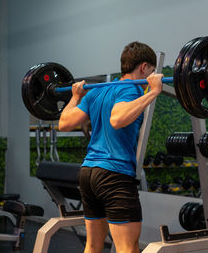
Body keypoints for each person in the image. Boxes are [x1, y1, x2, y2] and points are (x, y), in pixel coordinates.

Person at [59, 41, 163, 253]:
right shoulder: (131, 89)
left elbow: (64, 123)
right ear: (144, 67)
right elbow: (117, 119)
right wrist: (152, 93)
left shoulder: (98, 91)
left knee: (93, 245)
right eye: (151, 71)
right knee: (128, 247)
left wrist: (75, 96)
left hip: (88, 174)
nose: (150, 77)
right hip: (114, 175)